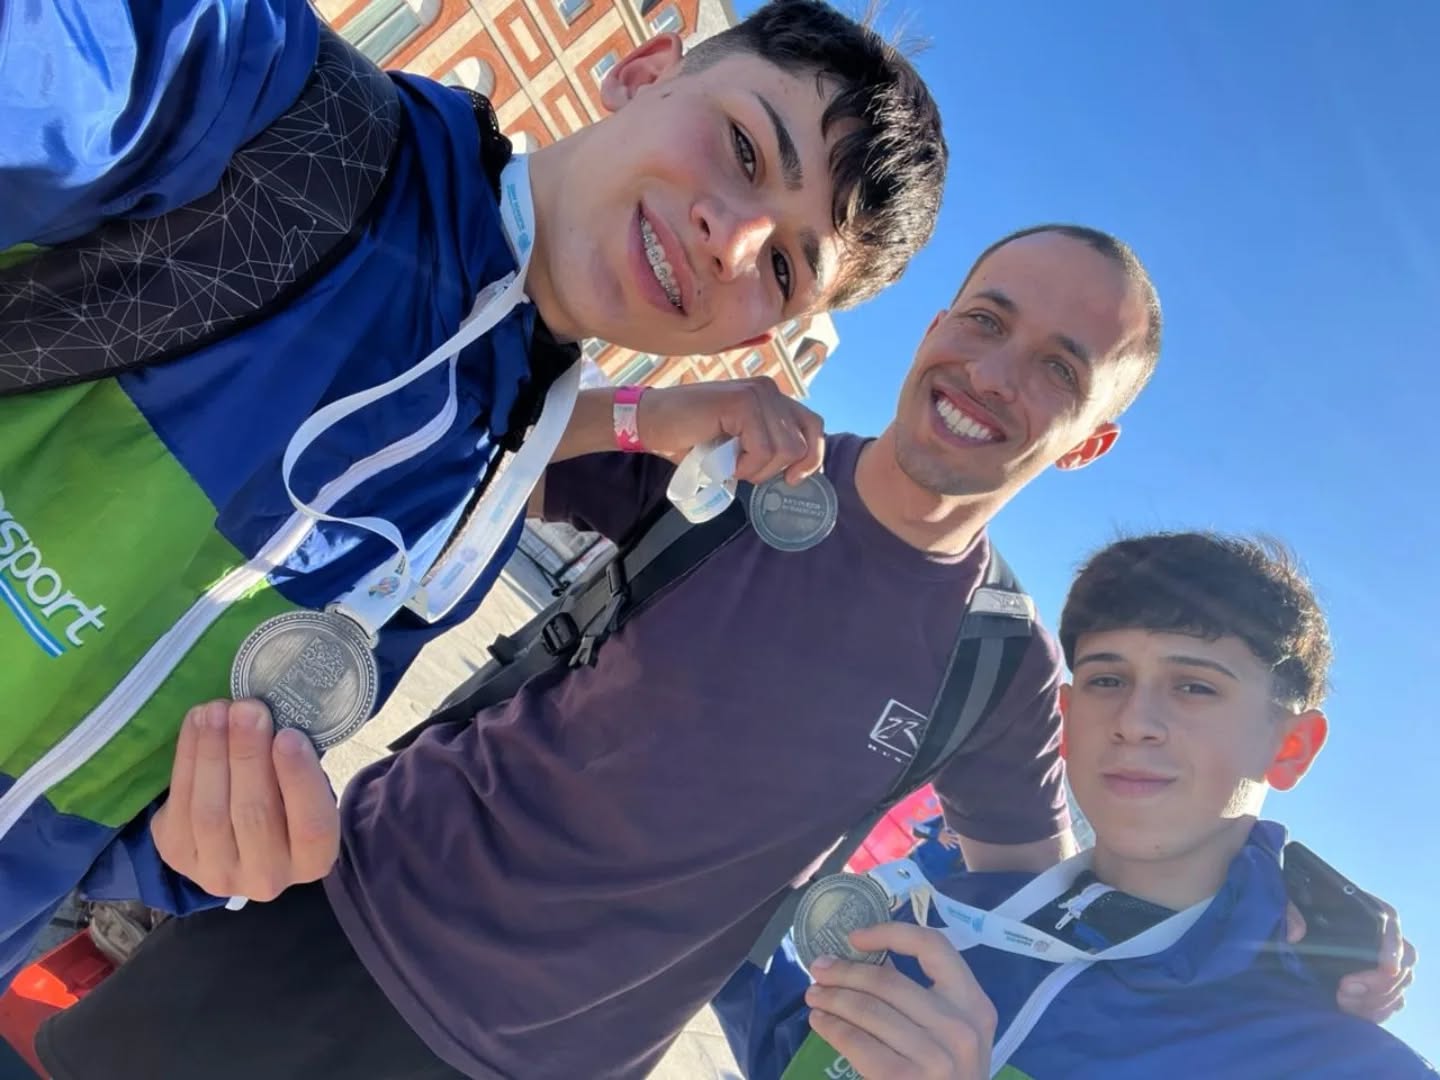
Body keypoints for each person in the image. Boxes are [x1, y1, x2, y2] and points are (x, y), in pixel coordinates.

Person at [38, 227, 1412, 1079]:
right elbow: (452, 455)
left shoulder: (1003, 667)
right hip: (323, 928)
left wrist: (1282, 934)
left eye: (1059, 366)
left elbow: (1055, 901)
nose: (996, 372)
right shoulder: (730, 458)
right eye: (985, 318)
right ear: (937, 321)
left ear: (1091, 439)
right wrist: (653, 413)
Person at [0, 0, 945, 988]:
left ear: (755, 337)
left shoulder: (486, 495)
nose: (734, 240)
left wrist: (193, 852)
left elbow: (135, 809)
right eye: (744, 147)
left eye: (785, 267)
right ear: (642, 72)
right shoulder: (267, 102)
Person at [718, 532, 1433, 1079]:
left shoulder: (1339, 1061)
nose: (1134, 721)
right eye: (1106, 680)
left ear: (1292, 747)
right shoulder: (947, 915)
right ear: (1065, 717)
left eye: (1195, 687)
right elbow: (792, 1054)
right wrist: (716, 901)